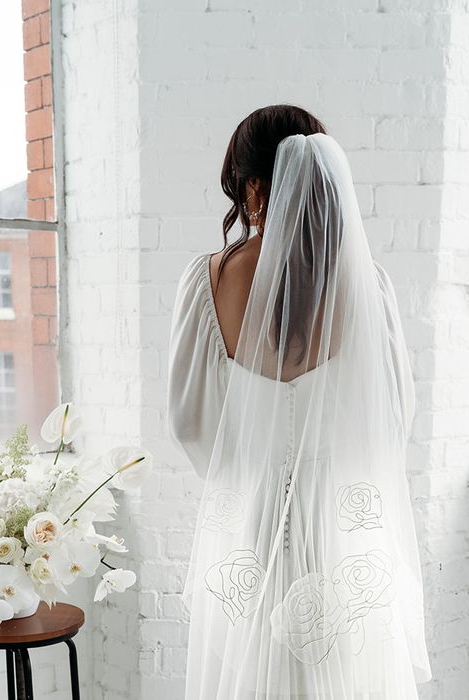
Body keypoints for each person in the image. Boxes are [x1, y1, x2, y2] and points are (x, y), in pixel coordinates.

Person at [168, 105, 432, 699]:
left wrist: (249, 465)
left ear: (255, 186)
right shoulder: (369, 284)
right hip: (341, 527)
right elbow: (394, 416)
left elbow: (188, 421)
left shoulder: (209, 279)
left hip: (250, 524)